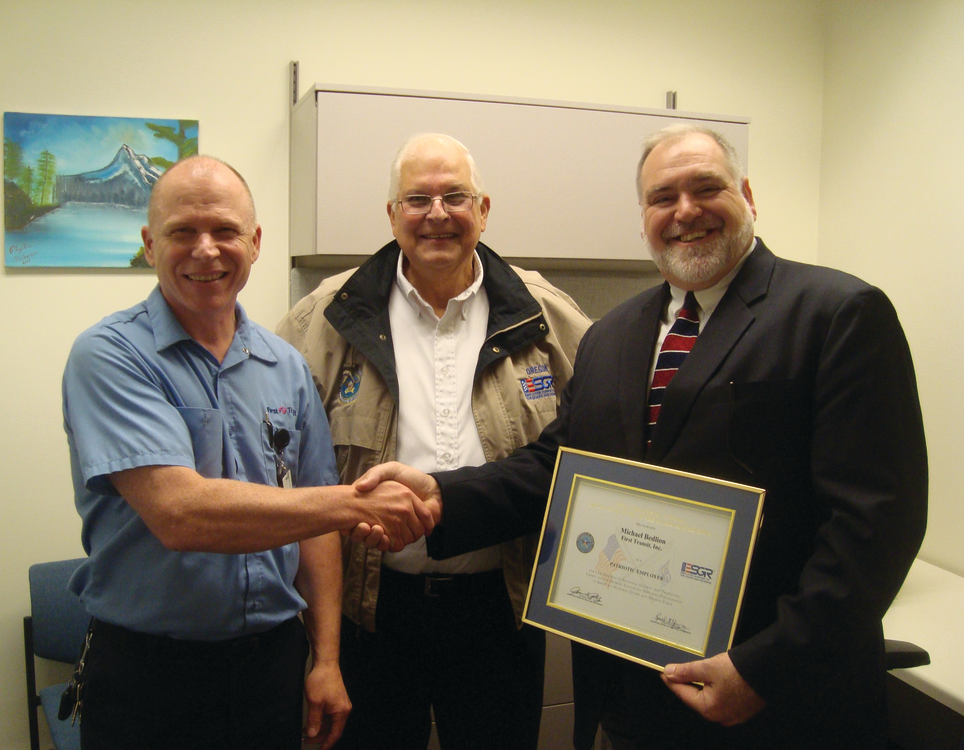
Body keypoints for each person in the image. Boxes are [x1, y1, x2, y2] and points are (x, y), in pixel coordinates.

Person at [355, 124, 928, 749]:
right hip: (633, 686)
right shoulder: (613, 335)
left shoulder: (835, 313)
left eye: (705, 188)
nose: (685, 211)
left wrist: (766, 667)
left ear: (748, 196)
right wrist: (440, 495)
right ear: (644, 215)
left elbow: (875, 525)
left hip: (780, 701)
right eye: (662, 197)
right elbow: (556, 467)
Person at [62, 155, 435, 750]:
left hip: (272, 666)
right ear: (148, 243)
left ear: (255, 243)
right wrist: (355, 502)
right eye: (182, 231)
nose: (205, 250)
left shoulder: (284, 364)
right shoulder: (109, 356)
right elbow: (180, 513)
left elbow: (314, 526)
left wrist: (327, 658)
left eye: (225, 231)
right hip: (150, 676)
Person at [276, 133, 591, 750]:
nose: (437, 214)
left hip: (500, 610)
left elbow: (594, 442)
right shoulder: (324, 316)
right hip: (370, 615)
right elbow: (272, 456)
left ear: (484, 208)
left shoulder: (545, 315)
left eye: (455, 197)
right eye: (417, 198)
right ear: (392, 215)